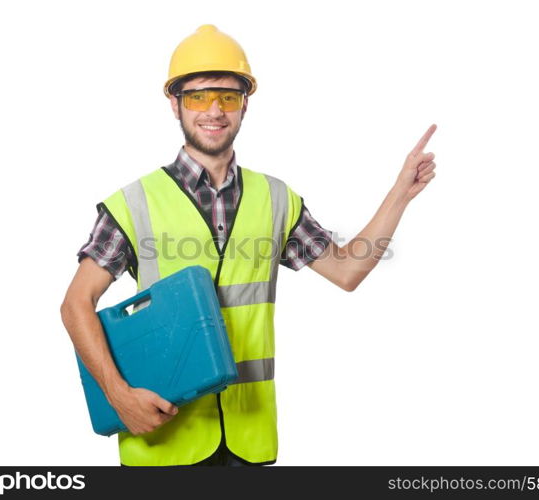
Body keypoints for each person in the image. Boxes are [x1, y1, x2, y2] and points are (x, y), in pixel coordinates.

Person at [60, 24, 437, 467]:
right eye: (199, 96)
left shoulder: (276, 199)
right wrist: (119, 397)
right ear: (174, 104)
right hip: (162, 435)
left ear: (245, 105)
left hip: (248, 440)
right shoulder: (132, 204)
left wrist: (399, 194)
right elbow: (75, 305)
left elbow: (347, 270)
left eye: (229, 96)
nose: (214, 110)